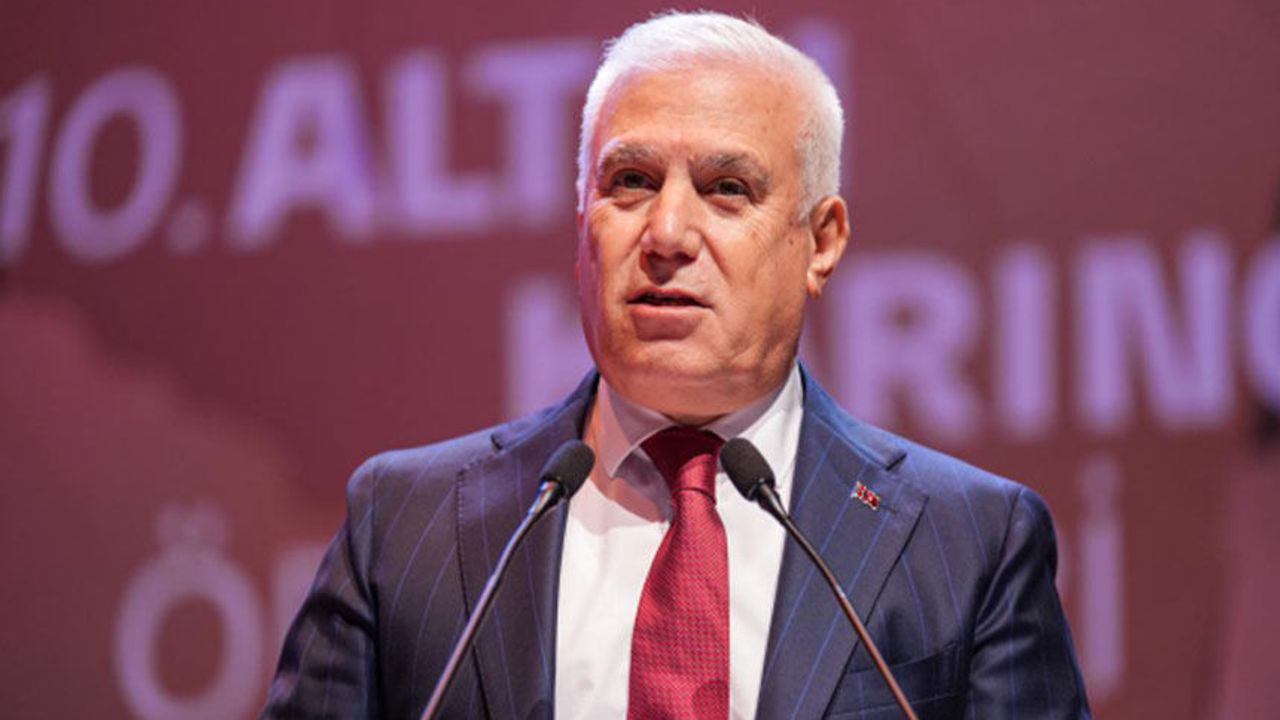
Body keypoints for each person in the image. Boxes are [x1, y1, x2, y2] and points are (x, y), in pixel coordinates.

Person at [262, 11, 1091, 720]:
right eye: (631, 180)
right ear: (582, 218)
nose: (665, 234)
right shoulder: (406, 525)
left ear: (821, 241)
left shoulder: (970, 542)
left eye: (727, 188)